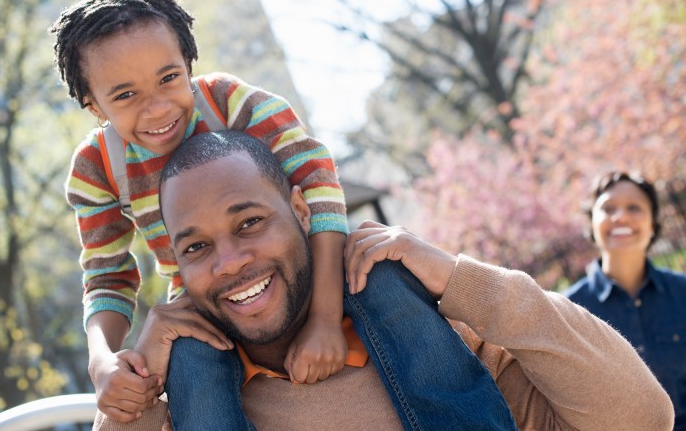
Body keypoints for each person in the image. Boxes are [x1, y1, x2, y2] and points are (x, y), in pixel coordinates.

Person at [51, 0, 516, 429]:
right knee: (190, 363)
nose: (156, 109)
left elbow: (320, 189)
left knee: (385, 280)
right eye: (126, 95)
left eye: (169, 78)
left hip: (309, 261)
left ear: (188, 64)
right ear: (93, 104)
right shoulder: (98, 168)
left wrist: (324, 318)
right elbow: (107, 274)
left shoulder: (231, 105)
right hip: (210, 294)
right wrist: (101, 362)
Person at [94, 131, 674, 430]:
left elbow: (640, 418)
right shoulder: (194, 406)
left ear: (302, 211)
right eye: (197, 246)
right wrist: (137, 389)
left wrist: (459, 278)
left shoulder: (440, 345)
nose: (228, 261)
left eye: (250, 222)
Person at [564, 171, 686, 430]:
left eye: (634, 207)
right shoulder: (568, 311)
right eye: (608, 208)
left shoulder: (682, 292)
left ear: (653, 223)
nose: (621, 217)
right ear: (591, 224)